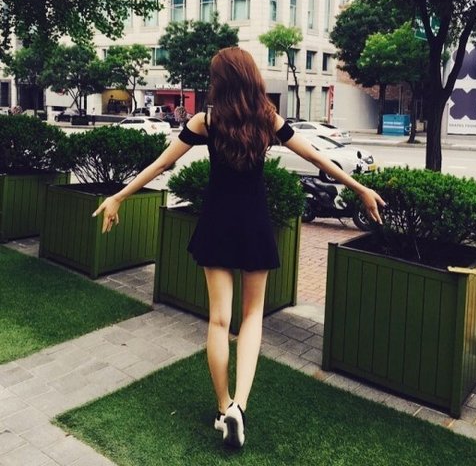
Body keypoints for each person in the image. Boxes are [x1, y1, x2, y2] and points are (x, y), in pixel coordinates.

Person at [92, 47, 385, 449]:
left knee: (218, 321)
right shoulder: (267, 118)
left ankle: (222, 405)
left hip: (217, 223)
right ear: (250, 78)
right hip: (254, 224)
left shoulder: (206, 120)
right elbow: (315, 156)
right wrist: (359, 187)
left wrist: (119, 196)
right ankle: (239, 408)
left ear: (220, 82)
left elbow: (161, 164)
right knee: (251, 317)